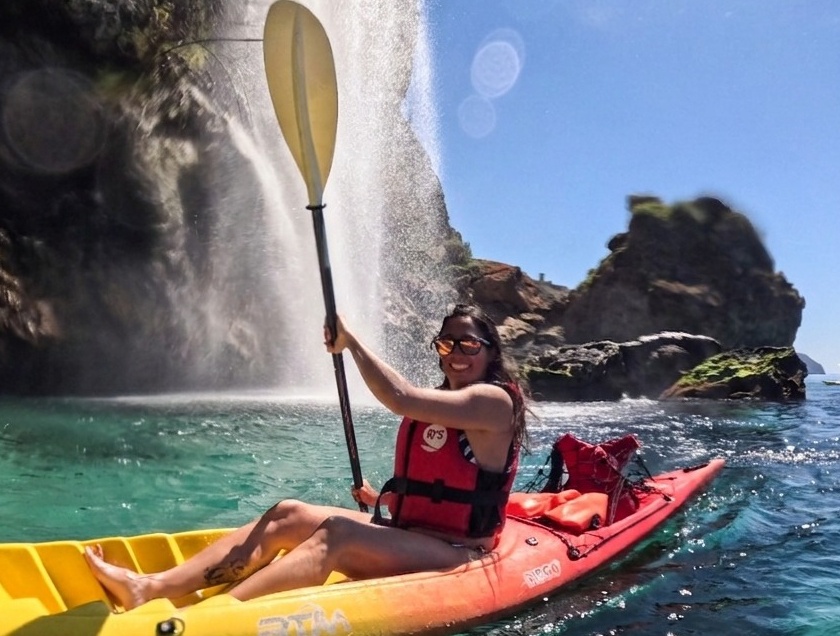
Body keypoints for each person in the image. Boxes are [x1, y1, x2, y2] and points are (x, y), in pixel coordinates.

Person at [84, 304, 528, 610]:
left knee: (337, 534)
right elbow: (447, 488)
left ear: (491, 352)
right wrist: (383, 500)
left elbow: (400, 398)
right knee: (288, 514)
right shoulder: (447, 403)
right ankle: (150, 588)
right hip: (413, 533)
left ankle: (215, 618)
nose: (456, 354)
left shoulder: (494, 402)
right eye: (447, 344)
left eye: (469, 345)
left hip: (458, 553)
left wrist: (351, 342)